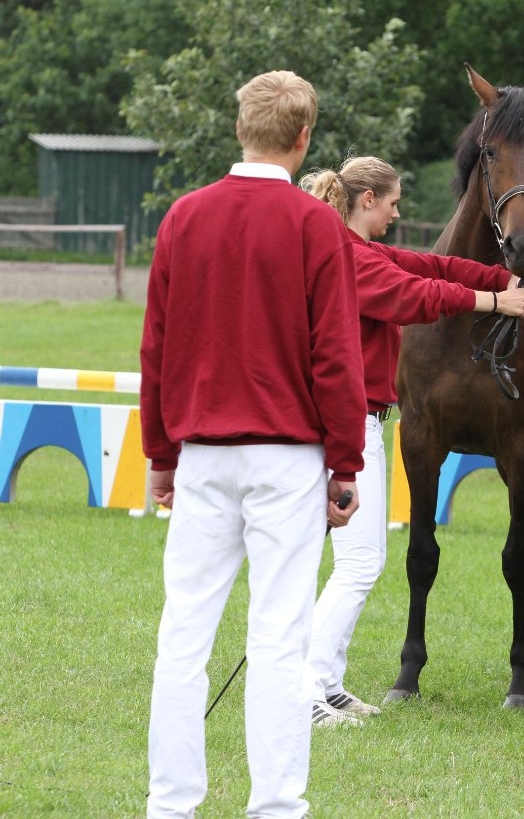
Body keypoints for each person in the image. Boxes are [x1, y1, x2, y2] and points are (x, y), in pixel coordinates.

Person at [141, 70, 365, 819]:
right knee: (277, 638)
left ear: (241, 127)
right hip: (287, 456)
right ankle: (276, 807)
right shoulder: (314, 226)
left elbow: (157, 347)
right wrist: (345, 463)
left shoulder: (184, 217)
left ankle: (170, 804)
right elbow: (335, 354)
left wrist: (161, 455)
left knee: (185, 633)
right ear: (303, 139)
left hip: (202, 450)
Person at [299, 155, 524, 725]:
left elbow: (433, 265)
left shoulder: (362, 250)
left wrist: (499, 275)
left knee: (360, 562)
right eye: (394, 202)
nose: (398, 212)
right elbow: (415, 297)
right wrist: (495, 302)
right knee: (358, 565)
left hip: (359, 420)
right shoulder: (349, 260)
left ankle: (325, 684)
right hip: (349, 422)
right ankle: (306, 689)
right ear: (367, 201)